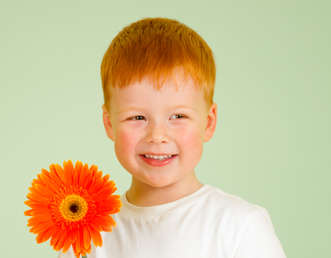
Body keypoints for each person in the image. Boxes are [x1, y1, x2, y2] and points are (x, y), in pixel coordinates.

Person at [58, 17, 286, 258]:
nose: (157, 136)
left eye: (178, 116)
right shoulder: (89, 236)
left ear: (208, 122)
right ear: (109, 123)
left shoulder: (239, 226)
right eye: (137, 118)